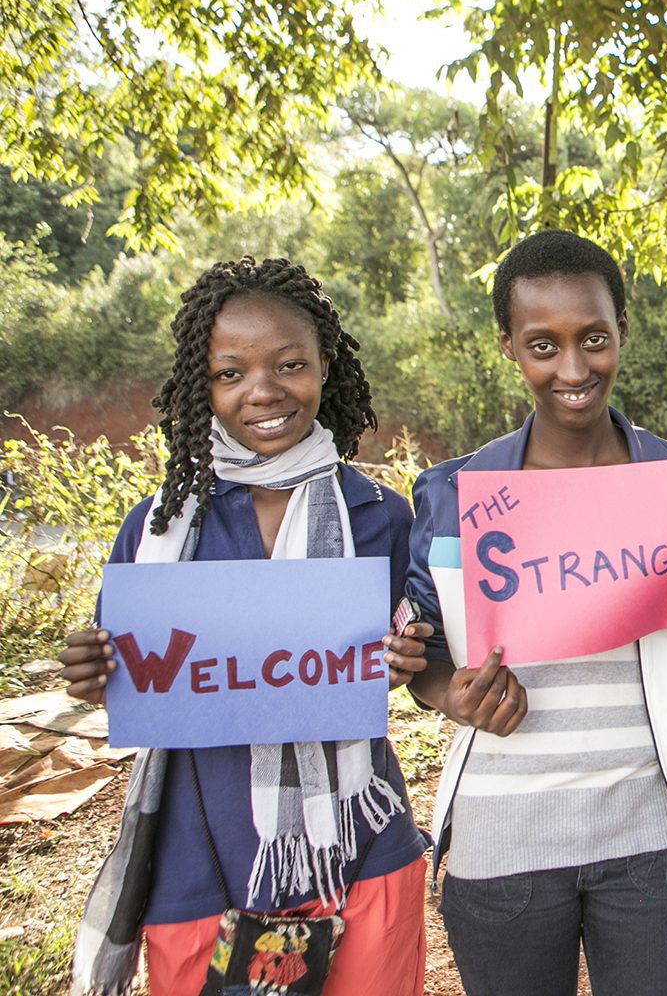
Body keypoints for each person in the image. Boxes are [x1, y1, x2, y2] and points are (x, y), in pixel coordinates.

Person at [382, 229, 667, 996]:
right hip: (501, 843)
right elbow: (425, 656)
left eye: (595, 340)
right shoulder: (452, 496)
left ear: (623, 335)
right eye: (543, 344)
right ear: (507, 345)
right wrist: (451, 693)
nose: (574, 370)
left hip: (646, 834)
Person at [61, 256, 431, 996]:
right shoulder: (160, 526)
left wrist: (405, 655)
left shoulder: (380, 517)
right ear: (203, 384)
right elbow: (134, 677)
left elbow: (412, 652)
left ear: (325, 366)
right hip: (201, 858)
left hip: (356, 846)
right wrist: (92, 667)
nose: (262, 391)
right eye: (230, 373)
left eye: (289, 364)